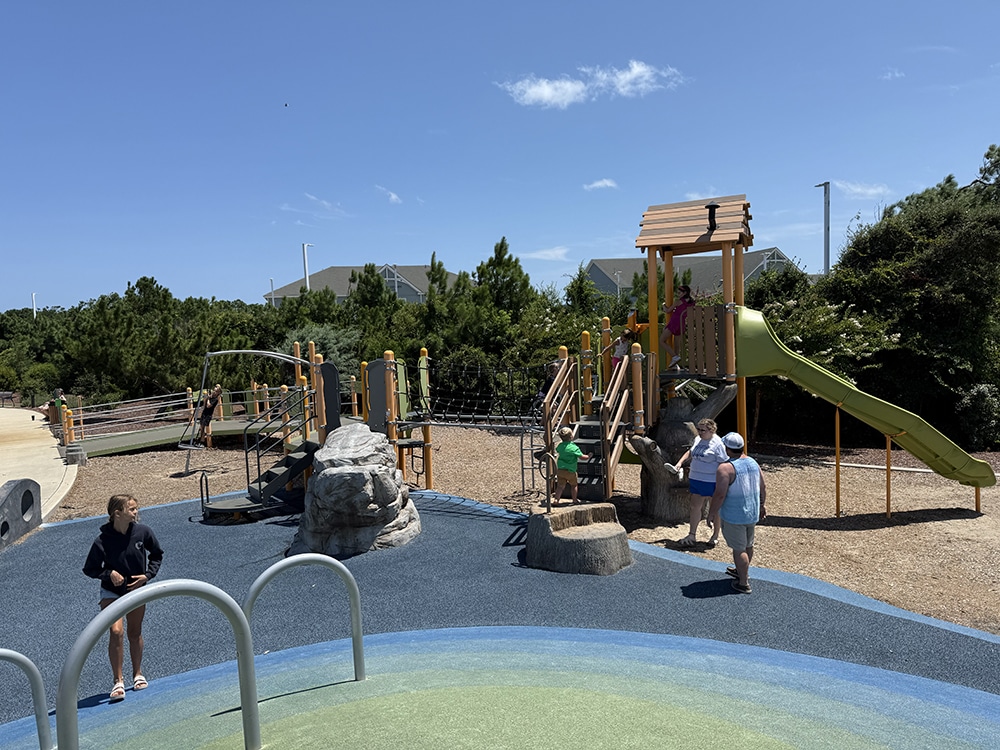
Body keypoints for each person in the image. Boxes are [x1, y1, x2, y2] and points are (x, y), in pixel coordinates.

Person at [83, 494, 164, 702]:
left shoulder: (143, 532)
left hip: (136, 589)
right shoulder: (102, 540)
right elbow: (90, 568)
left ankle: (138, 674)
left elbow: (157, 554)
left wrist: (147, 575)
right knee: (116, 631)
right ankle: (118, 680)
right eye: (132, 509)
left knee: (134, 632)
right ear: (117, 513)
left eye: (136, 508)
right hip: (111, 592)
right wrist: (108, 573)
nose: (136, 513)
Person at [707, 432, 767, 594]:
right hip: (752, 512)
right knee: (748, 544)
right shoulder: (753, 462)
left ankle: (743, 582)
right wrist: (761, 505)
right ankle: (741, 571)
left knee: (739, 548)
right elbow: (762, 486)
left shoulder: (725, 468)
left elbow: (720, 494)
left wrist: (711, 513)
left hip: (735, 515)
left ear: (727, 448)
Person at [673, 418, 728, 547]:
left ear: (711, 430)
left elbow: (723, 463)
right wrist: (679, 463)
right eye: (698, 429)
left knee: (714, 509)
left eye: (702, 430)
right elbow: (690, 452)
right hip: (696, 478)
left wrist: (722, 481)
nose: (699, 432)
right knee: (694, 507)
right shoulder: (698, 440)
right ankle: (692, 534)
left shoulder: (718, 443)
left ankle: (715, 535)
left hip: (711, 481)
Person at [553, 425, 591, 505]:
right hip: (571, 471)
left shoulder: (560, 446)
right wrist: (588, 456)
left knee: (560, 486)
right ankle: (574, 500)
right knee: (574, 485)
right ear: (571, 436)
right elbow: (582, 457)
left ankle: (556, 500)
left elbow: (557, 450)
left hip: (560, 470)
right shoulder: (574, 448)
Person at [660, 285, 696, 368]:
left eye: (679, 292)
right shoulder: (692, 303)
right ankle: (675, 364)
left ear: (684, 293)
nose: (678, 294)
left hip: (674, 322)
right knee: (677, 345)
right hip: (682, 322)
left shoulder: (679, 301)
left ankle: (674, 357)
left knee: (662, 340)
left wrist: (663, 305)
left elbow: (668, 311)